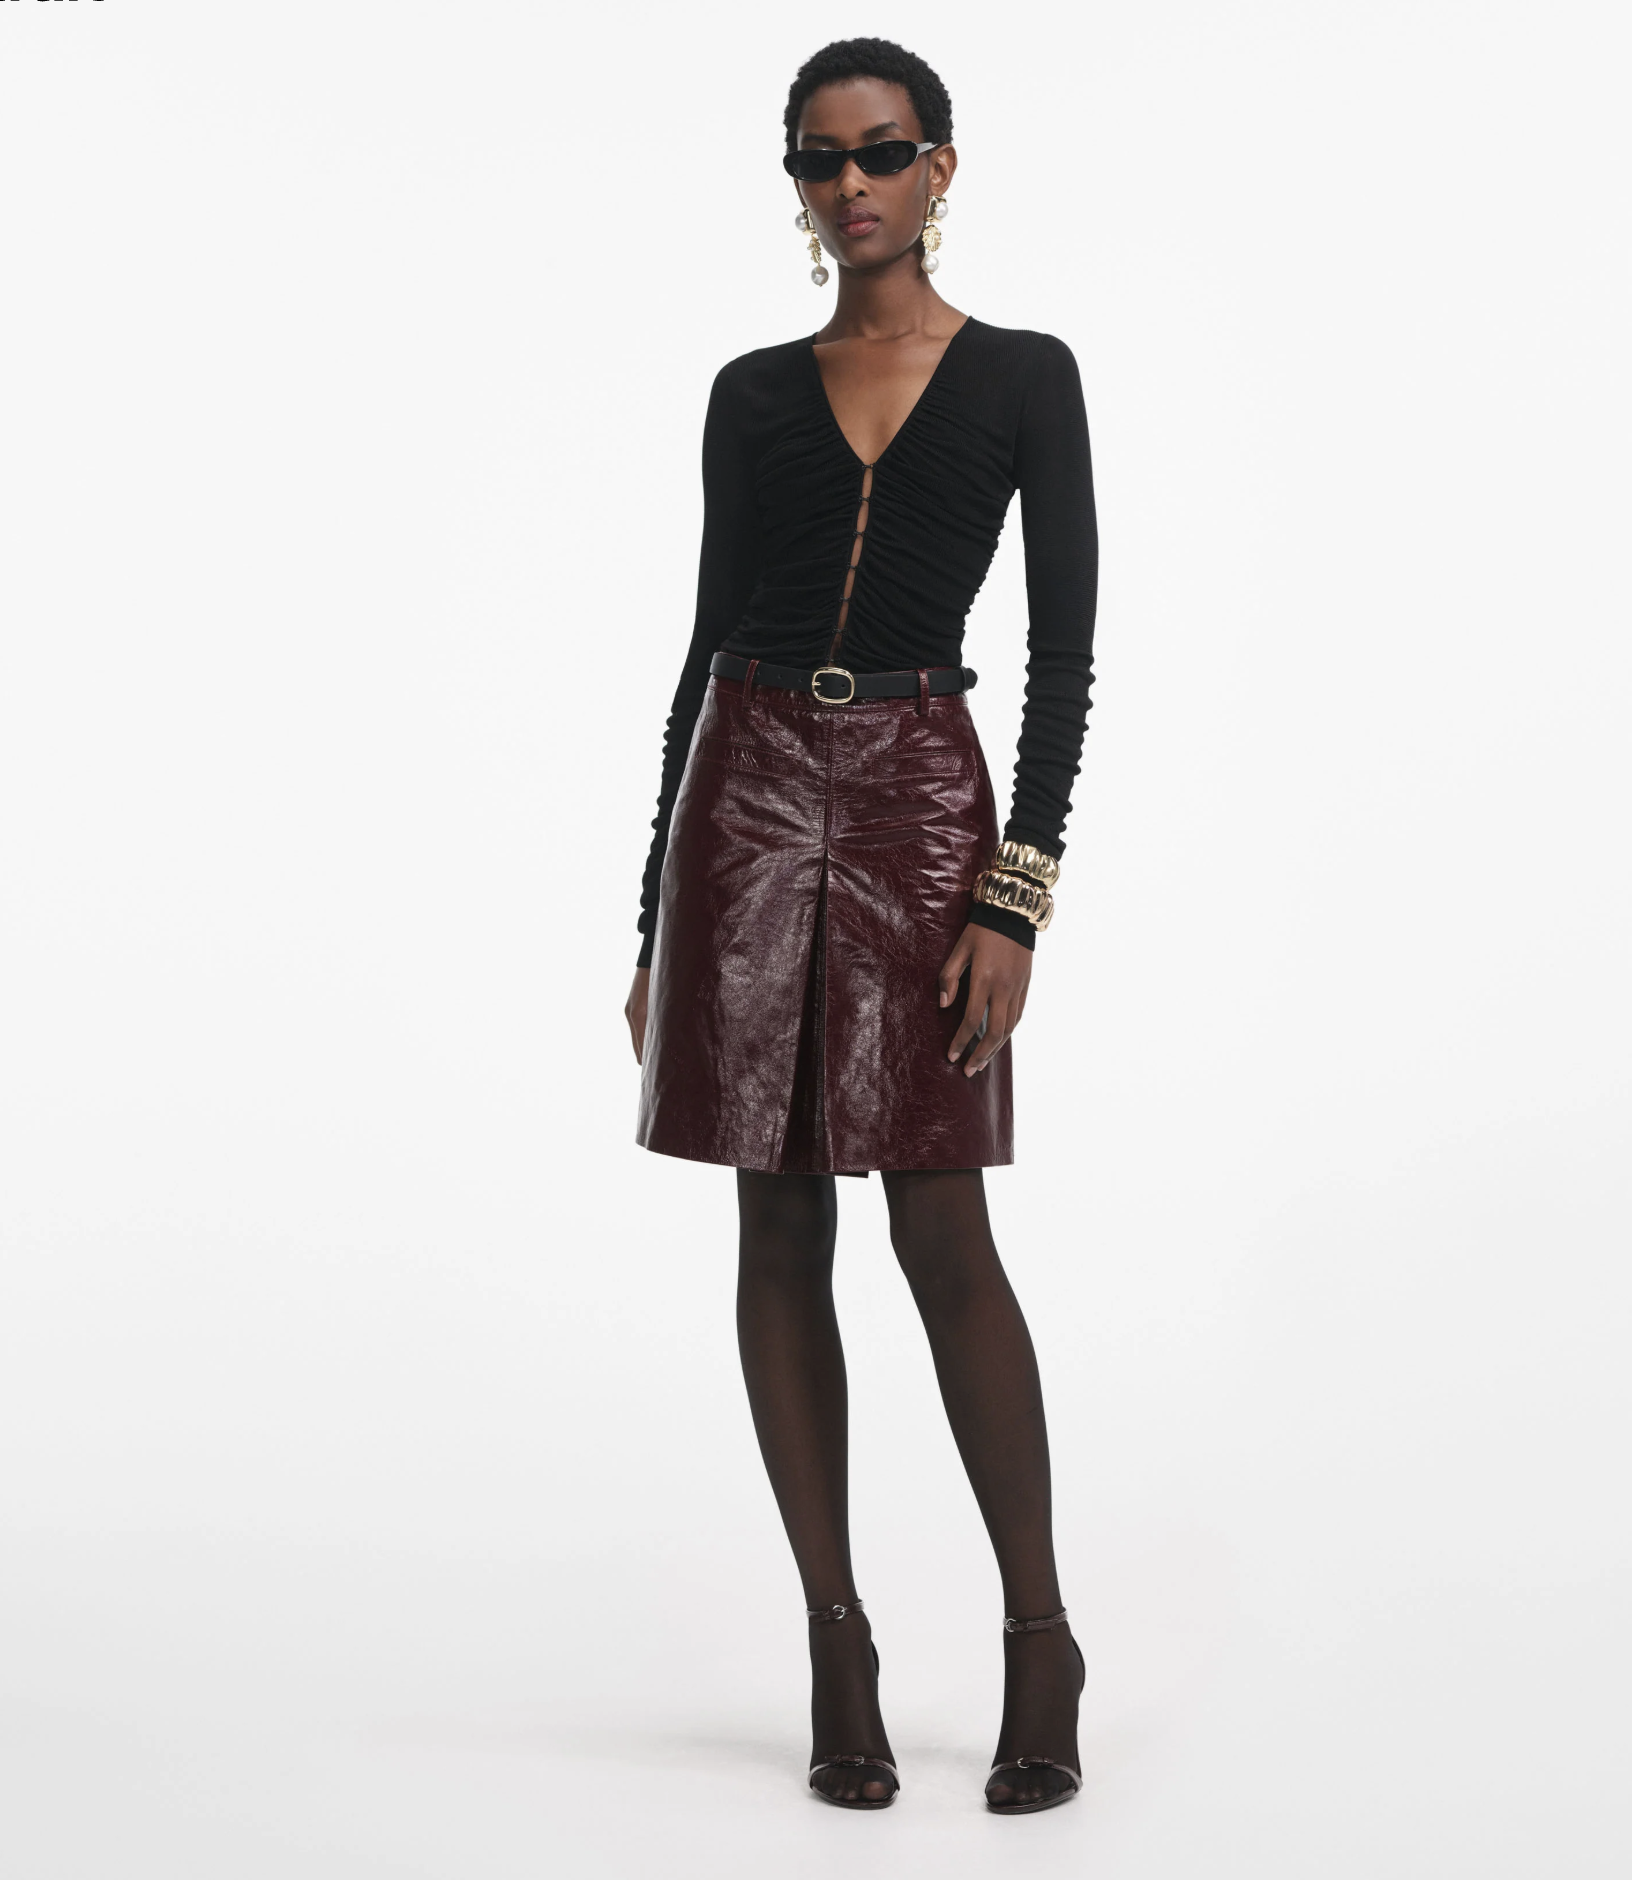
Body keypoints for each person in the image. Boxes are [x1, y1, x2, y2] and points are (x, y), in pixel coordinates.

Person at [623, 37, 1096, 1815]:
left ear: (939, 165)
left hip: (919, 795)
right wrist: (651, 923)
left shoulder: (1025, 377)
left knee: (939, 1224)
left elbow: (1063, 657)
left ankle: (1040, 1640)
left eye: (882, 152)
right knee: (776, 1211)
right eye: (819, 161)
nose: (851, 187)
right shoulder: (751, 392)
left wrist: (1014, 896)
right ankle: (837, 1641)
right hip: (745, 791)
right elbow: (699, 647)